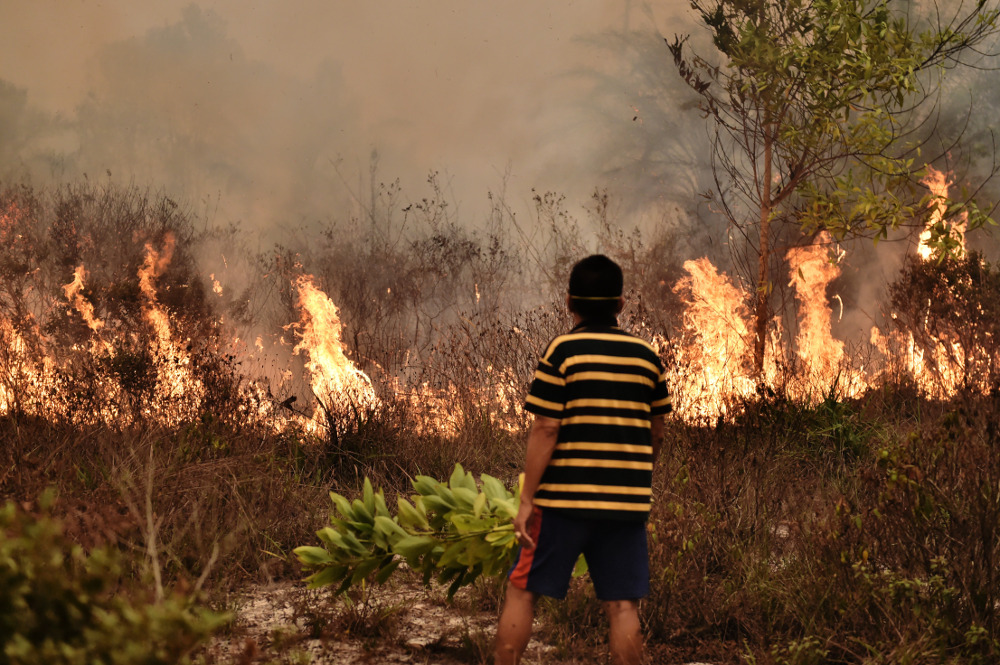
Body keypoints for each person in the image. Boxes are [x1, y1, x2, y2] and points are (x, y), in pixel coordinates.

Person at [494, 254, 671, 665]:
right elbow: (657, 431)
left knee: (522, 591)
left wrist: (526, 501)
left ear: (569, 302)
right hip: (625, 505)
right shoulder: (646, 357)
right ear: (621, 305)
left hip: (561, 506)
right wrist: (635, 479)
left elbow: (546, 428)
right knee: (623, 606)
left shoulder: (562, 352)